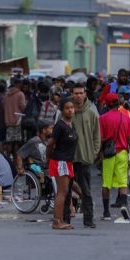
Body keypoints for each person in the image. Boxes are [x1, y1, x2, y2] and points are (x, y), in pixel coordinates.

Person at [67, 83, 101, 228]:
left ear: (85, 94)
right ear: (72, 95)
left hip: (85, 158)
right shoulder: (66, 112)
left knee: (86, 190)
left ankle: (88, 218)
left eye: (81, 93)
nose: (78, 96)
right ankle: (65, 217)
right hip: (68, 158)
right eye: (76, 93)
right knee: (66, 189)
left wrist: (92, 154)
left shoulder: (91, 113)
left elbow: (96, 136)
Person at [99, 93, 130, 221]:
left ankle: (106, 212)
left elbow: (101, 139)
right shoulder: (126, 118)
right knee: (122, 182)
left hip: (108, 154)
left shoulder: (102, 118)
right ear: (118, 104)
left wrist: (98, 155)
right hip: (123, 153)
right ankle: (124, 205)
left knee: (106, 183)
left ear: (107, 104)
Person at [45, 98, 78, 230]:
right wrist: (47, 159)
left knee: (65, 191)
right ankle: (56, 221)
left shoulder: (71, 124)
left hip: (67, 161)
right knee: (62, 191)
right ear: (62, 110)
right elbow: (50, 144)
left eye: (72, 107)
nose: (70, 110)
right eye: (67, 108)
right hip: (60, 160)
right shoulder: (60, 126)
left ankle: (61, 219)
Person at [4, 77, 27, 160]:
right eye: (21, 84)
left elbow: (4, 106)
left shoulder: (6, 94)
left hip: (8, 120)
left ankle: (7, 159)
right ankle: (15, 160)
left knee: (9, 141)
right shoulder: (20, 94)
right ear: (18, 84)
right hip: (18, 120)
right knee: (16, 141)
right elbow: (22, 106)